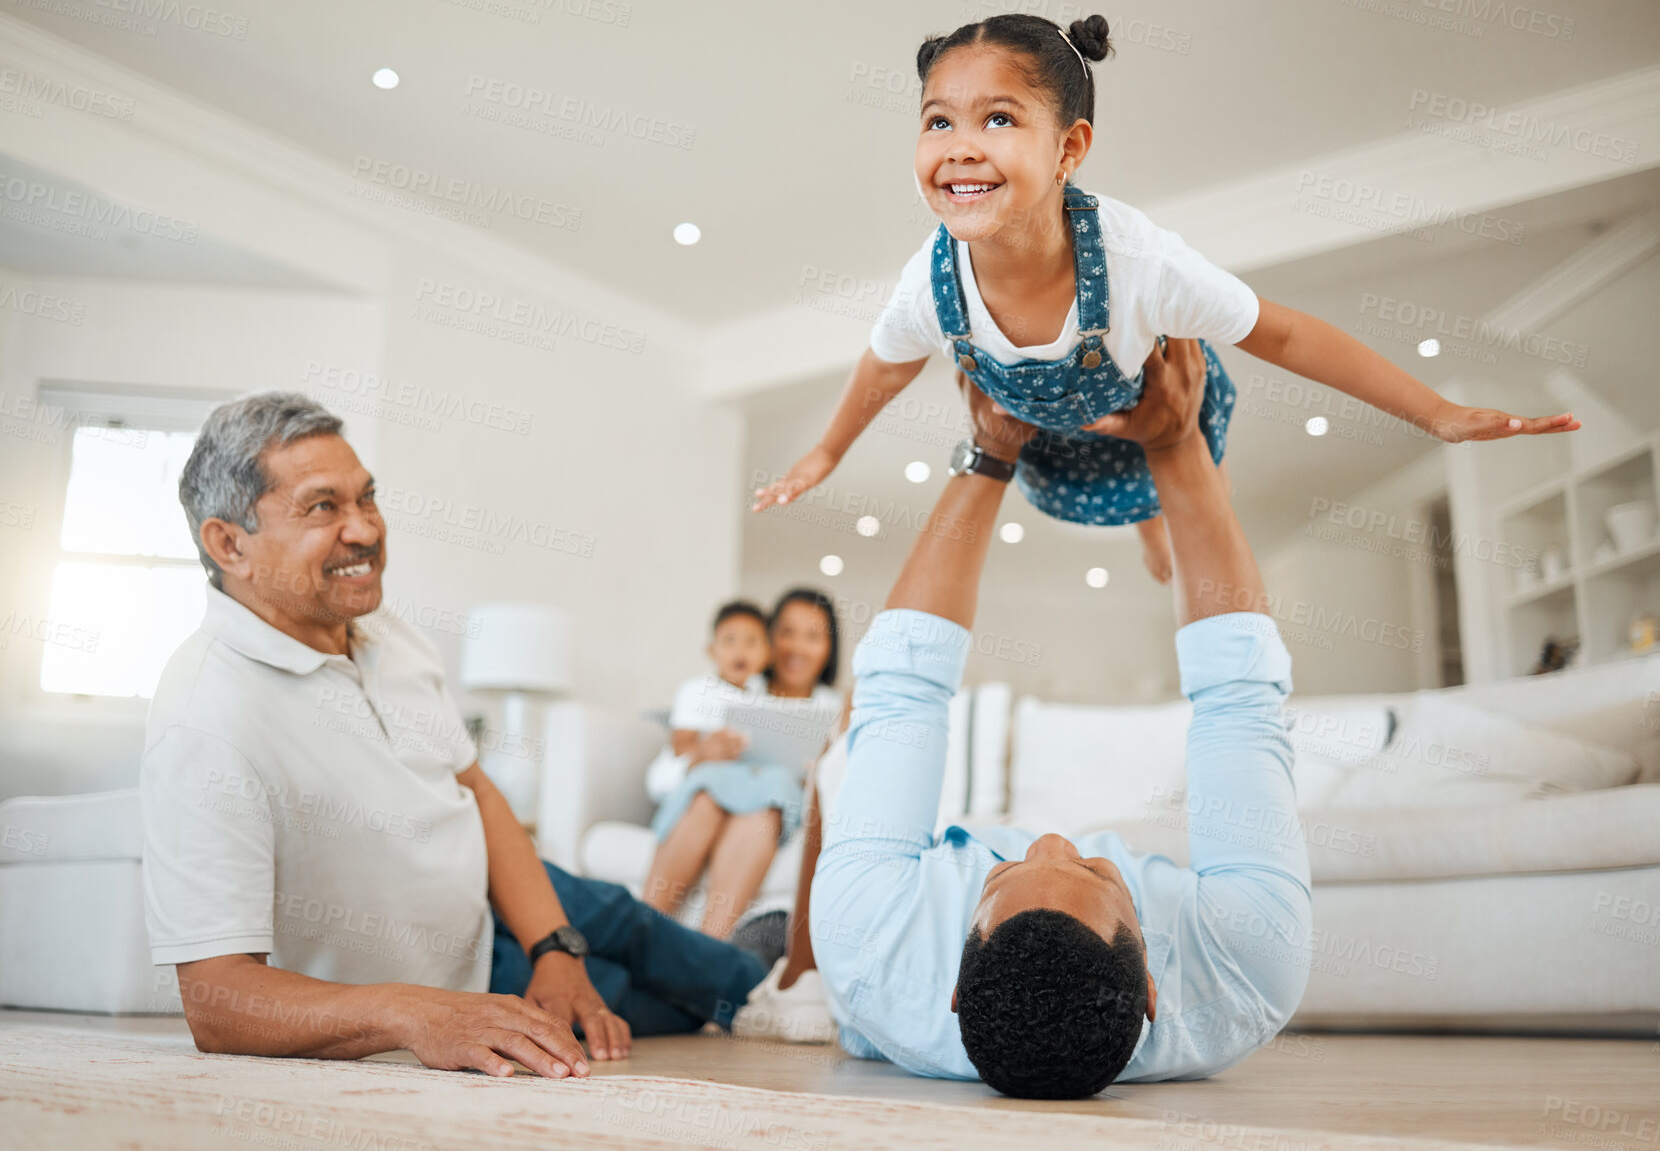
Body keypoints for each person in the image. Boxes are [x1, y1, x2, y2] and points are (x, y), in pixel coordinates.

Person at [753, 12, 1579, 583]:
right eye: (938, 122)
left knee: (1167, 453)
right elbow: (884, 368)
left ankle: (1159, 523)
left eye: (998, 119)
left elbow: (1283, 334)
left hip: (1151, 395)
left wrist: (1435, 412)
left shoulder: (1141, 263)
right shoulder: (929, 285)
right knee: (1073, 460)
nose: (960, 148)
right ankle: (1144, 520)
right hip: (1055, 436)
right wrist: (826, 453)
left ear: (1070, 146)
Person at [750, 338, 1318, 1099]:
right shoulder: (1249, 968)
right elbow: (1240, 699)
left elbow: (903, 685)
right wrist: (1175, 438)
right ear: (1152, 986)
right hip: (924, 881)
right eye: (1090, 867)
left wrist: (990, 447)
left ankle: (783, 961)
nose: (1056, 839)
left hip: (872, 900)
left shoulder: (874, 943)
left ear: (953, 985)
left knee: (846, 746)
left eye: (1009, 869)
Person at [140, 392, 768, 1081]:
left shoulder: (387, 629)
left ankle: (771, 979)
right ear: (230, 544)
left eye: (367, 498)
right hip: (455, 978)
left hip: (507, 891)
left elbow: (476, 789)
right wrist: (418, 1013)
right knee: (648, 1011)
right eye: (323, 507)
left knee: (637, 924)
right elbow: (216, 1000)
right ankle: (743, 978)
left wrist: (556, 947)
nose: (365, 530)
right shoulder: (204, 717)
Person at [643, 592, 840, 938]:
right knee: (707, 796)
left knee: (765, 801)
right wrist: (702, 755)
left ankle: (707, 949)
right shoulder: (733, 689)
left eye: (812, 636)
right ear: (769, 640)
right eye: (786, 633)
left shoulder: (837, 711)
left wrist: (821, 772)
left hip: (775, 808)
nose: (796, 647)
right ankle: (642, 935)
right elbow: (663, 776)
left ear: (829, 647)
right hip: (710, 800)